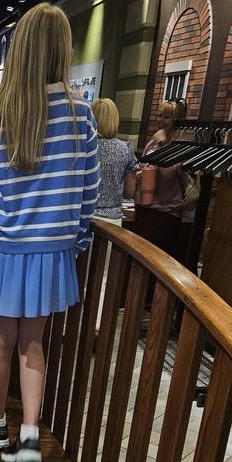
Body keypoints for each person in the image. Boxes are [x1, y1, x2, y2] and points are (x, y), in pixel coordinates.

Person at [0, 2, 100, 462]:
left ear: (19, 49)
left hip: (3, 246)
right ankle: (28, 437)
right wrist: (75, 242)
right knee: (33, 343)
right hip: (52, 250)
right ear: (63, 49)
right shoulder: (83, 117)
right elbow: (89, 196)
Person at [90, 98, 139, 328]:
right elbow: (130, 190)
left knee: (80, 270)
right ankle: (97, 327)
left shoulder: (84, 145)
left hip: (85, 217)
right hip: (112, 219)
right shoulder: (125, 149)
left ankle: (72, 323)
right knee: (105, 275)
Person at [132, 99, 190, 263]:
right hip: (144, 208)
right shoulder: (152, 142)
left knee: (153, 263)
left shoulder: (180, 146)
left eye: (166, 117)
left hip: (164, 213)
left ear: (177, 121)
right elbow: (143, 166)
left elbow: (168, 172)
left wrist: (162, 143)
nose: (160, 120)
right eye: (159, 115)